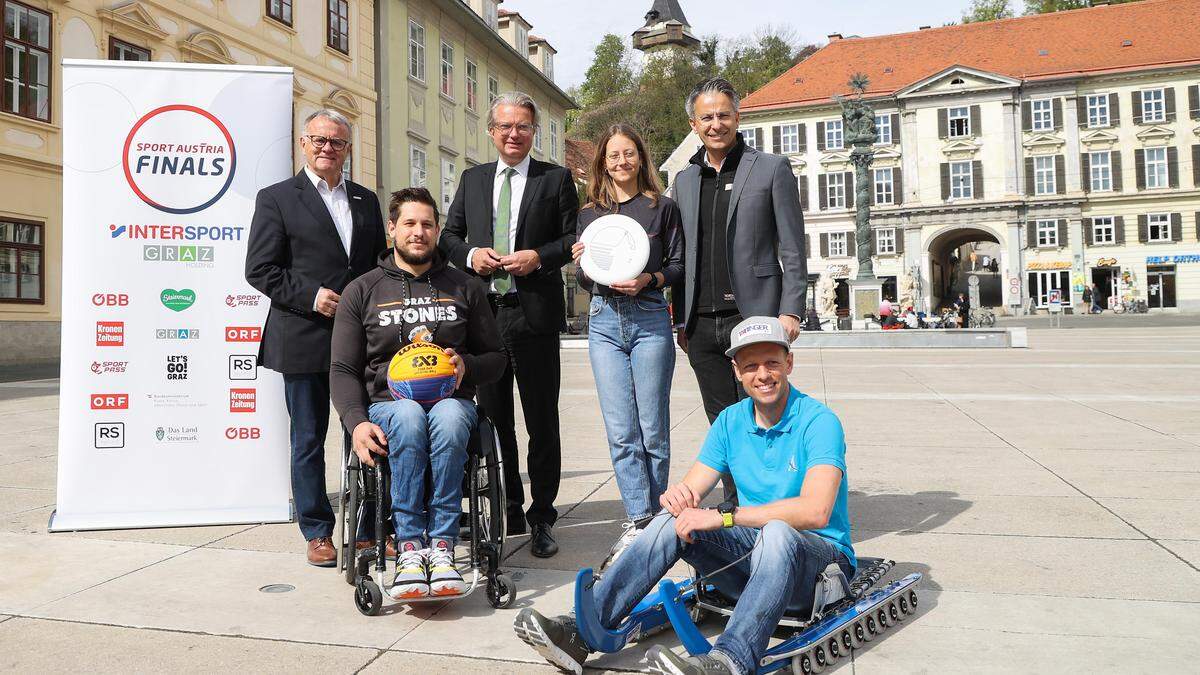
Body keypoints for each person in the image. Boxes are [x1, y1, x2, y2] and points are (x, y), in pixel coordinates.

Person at [515, 316, 856, 675]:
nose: (763, 374)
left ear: (789, 363)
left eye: (772, 362)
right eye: (751, 365)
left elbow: (817, 512)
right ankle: (581, 631)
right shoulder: (730, 421)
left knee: (777, 531)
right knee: (672, 520)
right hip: (759, 556)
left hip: (820, 568)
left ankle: (731, 660)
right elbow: (693, 487)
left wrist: (725, 517)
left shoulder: (819, 421)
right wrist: (678, 499)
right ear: (737, 371)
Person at [330, 187, 505, 598]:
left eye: (427, 224)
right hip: (388, 405)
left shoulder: (465, 286)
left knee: (446, 416)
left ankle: (442, 546)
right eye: (409, 223)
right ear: (392, 229)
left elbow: (496, 357)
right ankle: (410, 545)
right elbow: (341, 369)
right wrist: (355, 424)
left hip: (452, 400)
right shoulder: (362, 290)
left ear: (438, 230)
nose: (418, 232)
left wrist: (467, 366)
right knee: (408, 416)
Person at [439, 92, 578, 558]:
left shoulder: (554, 179)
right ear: (491, 132)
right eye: (505, 126)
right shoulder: (473, 179)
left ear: (533, 131)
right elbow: (449, 237)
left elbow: (572, 238)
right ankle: (509, 506)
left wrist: (539, 256)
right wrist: (471, 256)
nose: (513, 134)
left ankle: (542, 515)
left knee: (542, 420)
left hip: (533, 313)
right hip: (485, 317)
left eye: (523, 126)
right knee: (495, 421)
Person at [245, 109, 386, 567]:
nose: (329, 148)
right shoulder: (278, 198)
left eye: (338, 142)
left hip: (360, 340)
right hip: (303, 334)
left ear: (348, 149)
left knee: (364, 435)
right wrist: (311, 296)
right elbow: (260, 268)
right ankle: (318, 531)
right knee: (307, 438)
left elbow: (379, 263)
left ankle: (368, 530)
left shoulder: (366, 200)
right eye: (320, 140)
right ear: (303, 144)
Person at [671, 77, 807, 496]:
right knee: (723, 419)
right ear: (694, 123)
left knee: (767, 409)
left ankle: (778, 497)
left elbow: (793, 245)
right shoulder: (684, 179)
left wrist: (791, 310)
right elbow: (680, 254)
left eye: (723, 115)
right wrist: (681, 318)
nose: (716, 124)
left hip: (755, 314)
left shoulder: (770, 168)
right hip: (701, 320)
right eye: (707, 117)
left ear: (737, 116)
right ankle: (739, 501)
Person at [572, 123, 684, 566]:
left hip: (651, 315)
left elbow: (677, 265)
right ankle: (638, 520)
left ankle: (657, 517)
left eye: (629, 154)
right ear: (603, 162)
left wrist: (649, 280)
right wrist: (581, 266)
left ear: (641, 158)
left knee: (652, 429)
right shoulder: (589, 214)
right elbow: (585, 277)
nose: (621, 162)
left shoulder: (662, 208)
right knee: (621, 431)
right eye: (613, 155)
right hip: (603, 320)